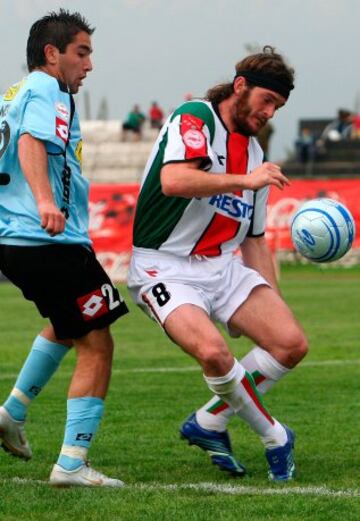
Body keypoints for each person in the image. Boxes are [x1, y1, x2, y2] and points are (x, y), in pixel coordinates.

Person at [127, 46, 308, 482]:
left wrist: (271, 302)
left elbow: (255, 239)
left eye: (278, 107)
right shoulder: (196, 117)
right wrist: (246, 180)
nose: (269, 113)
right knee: (213, 351)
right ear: (240, 86)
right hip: (163, 265)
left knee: (289, 343)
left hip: (222, 267)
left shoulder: (257, 158)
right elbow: (174, 181)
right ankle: (275, 435)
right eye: (267, 101)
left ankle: (208, 421)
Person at [0, 9, 128, 487]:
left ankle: (11, 413)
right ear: (52, 54)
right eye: (82, 52)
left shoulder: (12, 93)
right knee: (97, 343)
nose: (89, 64)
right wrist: (46, 203)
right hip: (47, 238)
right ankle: (72, 463)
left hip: (16, 239)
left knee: (65, 324)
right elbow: (33, 141)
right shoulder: (46, 89)